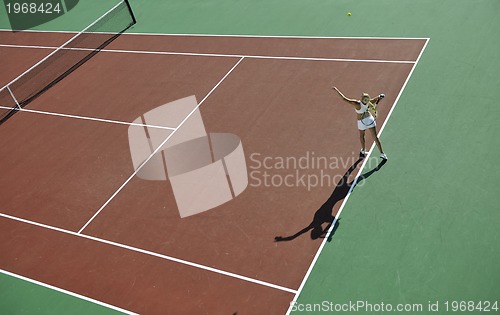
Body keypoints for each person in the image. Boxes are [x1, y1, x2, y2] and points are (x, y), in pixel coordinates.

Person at [332, 86, 388, 160]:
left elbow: (344, 99)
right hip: (370, 120)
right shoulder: (368, 102)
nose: (360, 96)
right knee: (375, 137)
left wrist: (336, 90)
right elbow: (373, 100)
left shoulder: (357, 103)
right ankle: (382, 153)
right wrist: (379, 97)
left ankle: (363, 150)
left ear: (362, 99)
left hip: (361, 123)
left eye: (362, 96)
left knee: (362, 135)